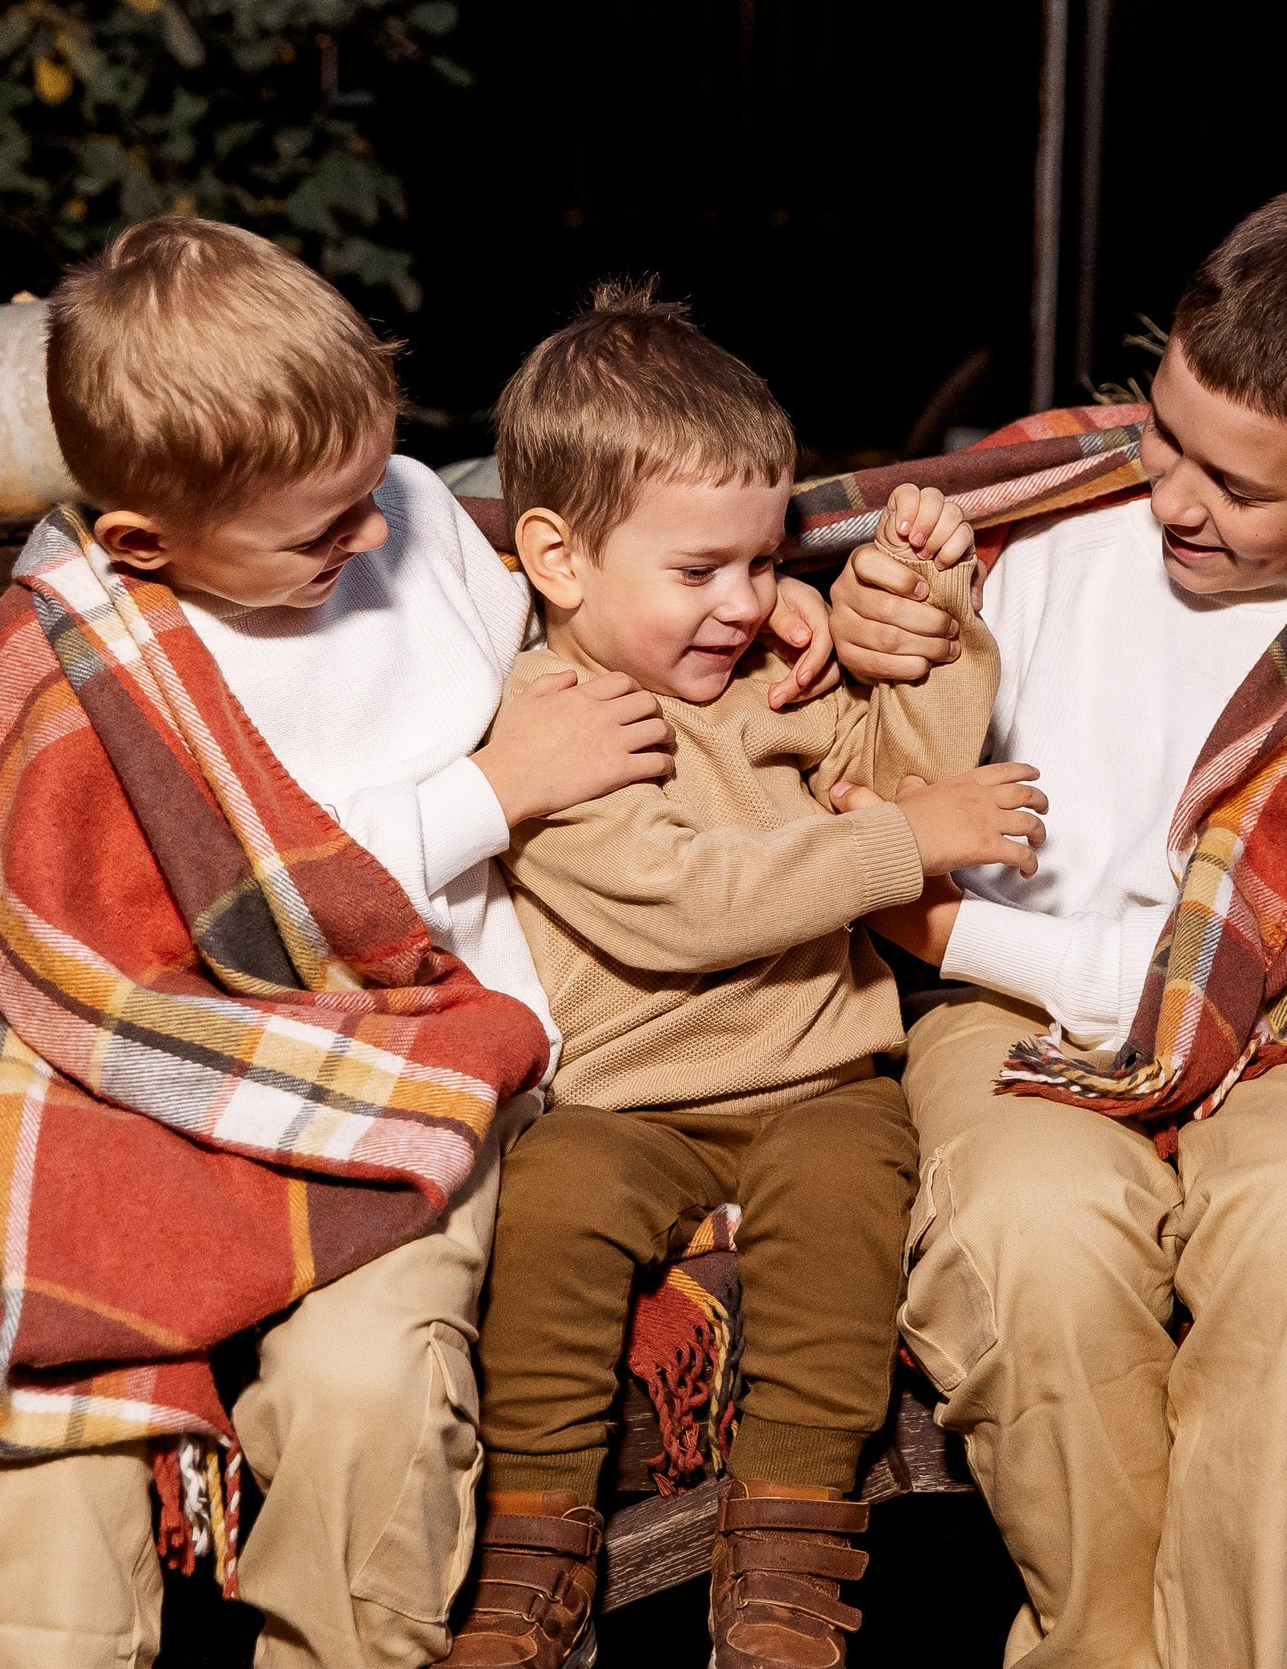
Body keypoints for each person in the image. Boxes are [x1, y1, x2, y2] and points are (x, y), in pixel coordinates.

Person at [0, 219, 845, 1669]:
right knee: (59, 1447)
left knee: (380, 1395)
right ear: (143, 542)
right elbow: (129, 926)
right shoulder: (87, 654)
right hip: (159, 1078)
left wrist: (766, 592)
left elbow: (587, 605)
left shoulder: (402, 520)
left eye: (374, 488)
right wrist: (490, 792)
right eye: (320, 530)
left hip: (402, 1075)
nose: (372, 539)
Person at [829, 185, 1287, 1668]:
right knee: (1026, 1235)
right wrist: (871, 632)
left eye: (1240, 488)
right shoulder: (1036, 527)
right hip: (1003, 1021)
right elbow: (845, 750)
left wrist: (961, 939)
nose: (1177, 501)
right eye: (1163, 432)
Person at [444, 284, 1045, 1669]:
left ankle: (786, 1552)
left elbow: (906, 775)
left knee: (845, 1197)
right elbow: (679, 902)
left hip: (816, 1074)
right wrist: (907, 842)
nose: (746, 602)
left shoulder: (769, 677)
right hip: (621, 1099)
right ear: (558, 558)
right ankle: (530, 1553)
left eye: (766, 562)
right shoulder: (555, 719)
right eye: (700, 571)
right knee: (550, 1216)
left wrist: (927, 615)